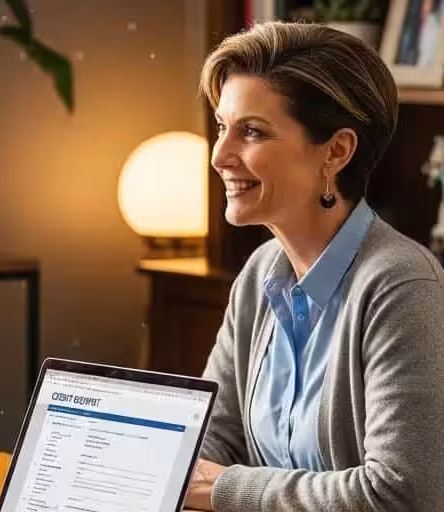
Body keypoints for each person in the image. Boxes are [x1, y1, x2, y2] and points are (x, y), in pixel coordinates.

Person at [188, 21, 444, 511]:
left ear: (337, 151)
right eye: (223, 127)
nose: (220, 155)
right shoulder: (260, 274)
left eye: (253, 132)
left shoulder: (402, 286)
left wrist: (222, 489)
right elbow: (208, 442)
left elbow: (400, 495)